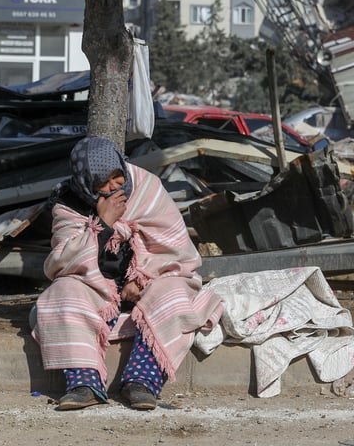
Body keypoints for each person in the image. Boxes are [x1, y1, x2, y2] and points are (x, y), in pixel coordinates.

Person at [33, 136, 222, 412]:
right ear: (86, 183)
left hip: (147, 283)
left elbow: (176, 251)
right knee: (61, 293)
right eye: (102, 183)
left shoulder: (147, 188)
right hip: (95, 288)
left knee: (176, 294)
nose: (113, 189)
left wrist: (140, 277)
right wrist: (103, 224)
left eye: (117, 179)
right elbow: (61, 264)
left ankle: (141, 383)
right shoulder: (68, 205)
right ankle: (84, 384)